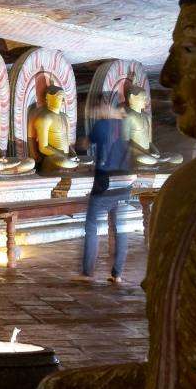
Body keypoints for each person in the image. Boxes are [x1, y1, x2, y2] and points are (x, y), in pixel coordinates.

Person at [75, 96, 132, 284]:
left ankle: (87, 272)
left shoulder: (102, 125)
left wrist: (78, 141)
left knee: (91, 228)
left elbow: (84, 144)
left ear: (107, 106)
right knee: (121, 228)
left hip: (105, 182)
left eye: (100, 107)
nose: (98, 110)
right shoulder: (125, 125)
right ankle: (118, 274)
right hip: (124, 182)